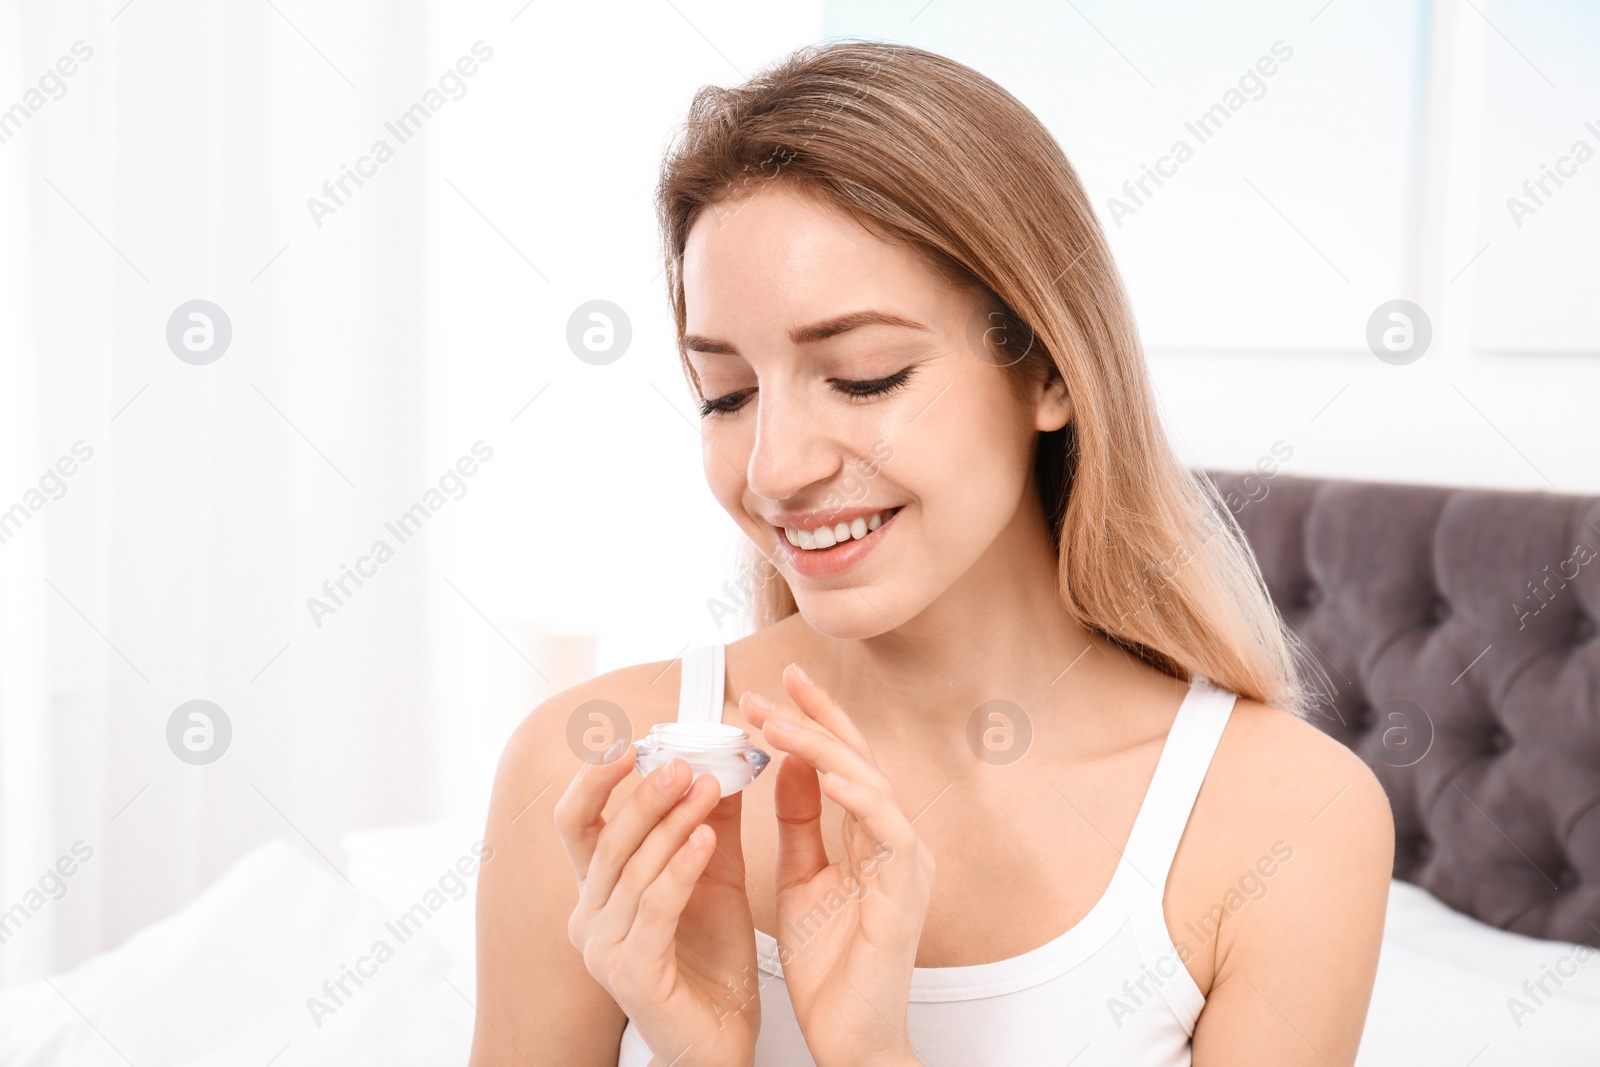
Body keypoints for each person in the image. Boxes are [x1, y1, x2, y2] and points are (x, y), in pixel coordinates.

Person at [470, 40, 1393, 1067]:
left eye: (863, 374)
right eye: (726, 393)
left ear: (1048, 370)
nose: (773, 467)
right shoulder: (587, 776)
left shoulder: (1286, 819)